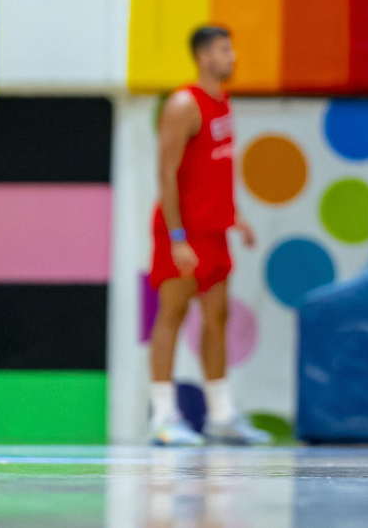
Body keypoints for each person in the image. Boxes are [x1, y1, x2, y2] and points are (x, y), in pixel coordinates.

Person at [146, 25, 271, 447]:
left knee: (217, 318)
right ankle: (163, 418)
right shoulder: (184, 104)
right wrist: (177, 236)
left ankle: (221, 416)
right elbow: (167, 174)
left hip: (215, 231)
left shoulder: (223, 103)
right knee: (172, 315)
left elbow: (213, 170)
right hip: (183, 231)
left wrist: (236, 215)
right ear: (203, 56)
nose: (232, 56)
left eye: (231, 48)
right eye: (223, 49)